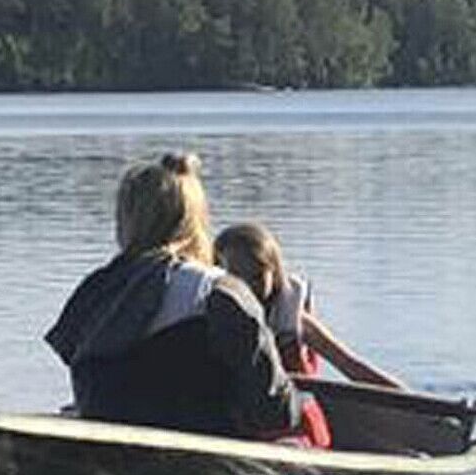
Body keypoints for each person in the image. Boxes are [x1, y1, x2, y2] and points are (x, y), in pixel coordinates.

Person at [44, 154, 303, 440]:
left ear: (126, 222)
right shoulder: (219, 292)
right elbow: (274, 410)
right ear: (196, 220)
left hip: (108, 443)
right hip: (203, 451)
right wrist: (301, 403)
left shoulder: (99, 289)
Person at [217, 217, 402, 447]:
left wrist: (410, 399)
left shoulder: (295, 320)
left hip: (297, 428)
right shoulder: (217, 318)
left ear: (274, 273)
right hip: (248, 426)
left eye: (257, 276)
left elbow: (351, 366)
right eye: (236, 278)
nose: (248, 288)